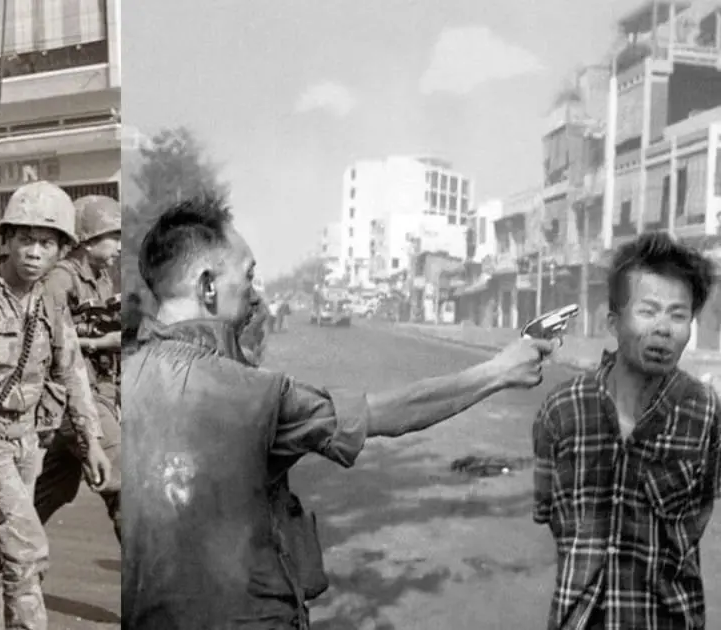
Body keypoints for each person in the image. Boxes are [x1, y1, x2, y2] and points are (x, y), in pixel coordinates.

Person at [122, 196, 553, 629]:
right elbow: (393, 412)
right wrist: (499, 371)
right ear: (208, 285)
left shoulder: (123, 377)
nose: (254, 293)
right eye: (248, 276)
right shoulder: (257, 395)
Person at [0, 180, 110, 630]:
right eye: (25, 239)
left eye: (47, 243)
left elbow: (72, 373)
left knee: (2, 549)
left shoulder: (51, 299)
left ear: (61, 250)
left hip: (30, 441)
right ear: (6, 239)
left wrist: (93, 442)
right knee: (28, 551)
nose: (34, 251)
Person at [533, 232, 720, 630]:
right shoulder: (562, 410)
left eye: (678, 314)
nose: (664, 329)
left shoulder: (705, 412)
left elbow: (701, 511)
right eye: (648, 311)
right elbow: (550, 512)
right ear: (614, 322)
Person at [33, 194, 124, 543]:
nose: (118, 245)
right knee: (124, 486)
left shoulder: (100, 279)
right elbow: (44, 344)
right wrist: (102, 344)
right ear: (88, 239)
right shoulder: (59, 279)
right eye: (112, 236)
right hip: (73, 398)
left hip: (95, 392)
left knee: (53, 491)